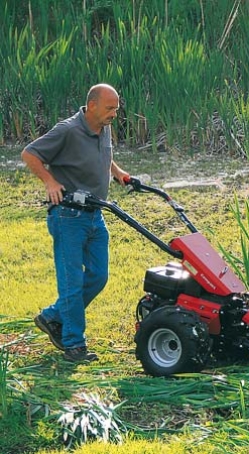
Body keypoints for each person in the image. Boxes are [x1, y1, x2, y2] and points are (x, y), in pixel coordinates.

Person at [22, 83, 130, 363]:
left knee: (98, 275)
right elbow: (29, 154)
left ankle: (52, 316)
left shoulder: (102, 126)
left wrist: (117, 172)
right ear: (92, 105)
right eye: (110, 108)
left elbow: (103, 153)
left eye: (116, 109)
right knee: (71, 282)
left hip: (96, 214)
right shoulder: (67, 130)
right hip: (68, 216)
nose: (114, 114)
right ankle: (73, 345)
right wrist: (50, 181)